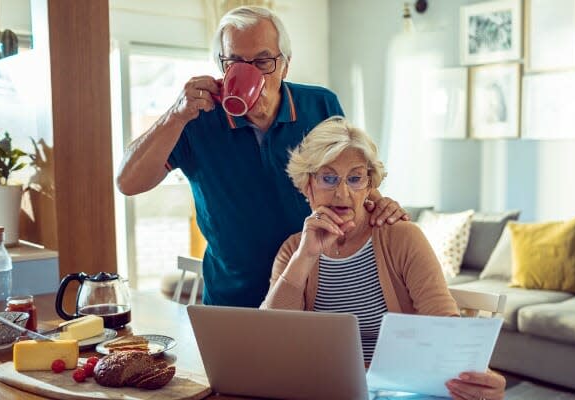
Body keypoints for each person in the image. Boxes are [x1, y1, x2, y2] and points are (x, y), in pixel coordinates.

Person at [116, 7, 407, 307]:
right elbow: (128, 182)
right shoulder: (196, 119)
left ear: (285, 65)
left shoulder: (319, 105)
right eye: (235, 62)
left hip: (314, 293)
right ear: (221, 65)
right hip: (232, 300)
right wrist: (174, 116)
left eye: (263, 61)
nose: (250, 72)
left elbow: (348, 178)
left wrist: (376, 202)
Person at [261, 117, 506, 400]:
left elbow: (444, 326)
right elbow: (272, 342)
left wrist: (483, 379)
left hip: (399, 389)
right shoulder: (294, 250)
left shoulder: (401, 237)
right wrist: (305, 256)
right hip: (322, 389)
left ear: (369, 185)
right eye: (328, 178)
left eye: (355, 178)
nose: (343, 193)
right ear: (308, 186)